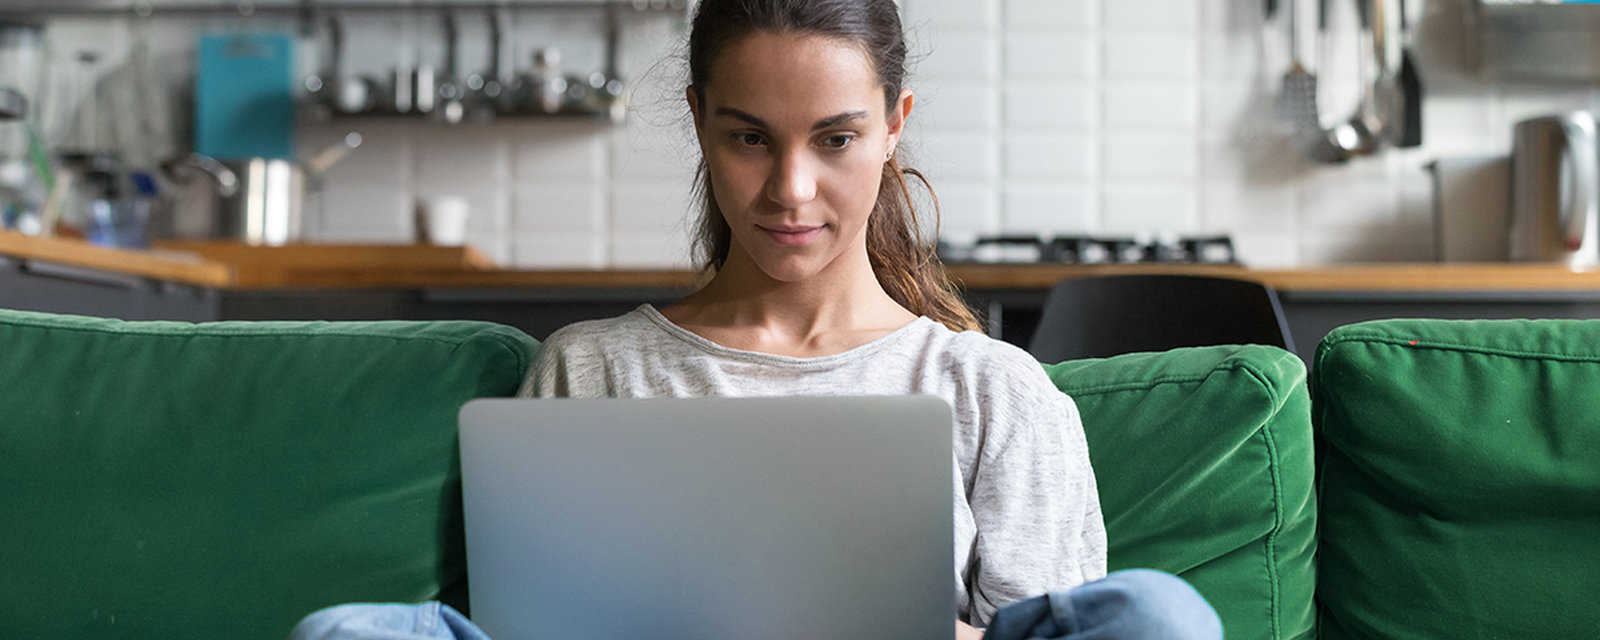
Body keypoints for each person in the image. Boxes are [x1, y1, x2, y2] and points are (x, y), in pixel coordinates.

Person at [291, 1, 1221, 639]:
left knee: (1157, 616)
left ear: (894, 125)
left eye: (837, 138)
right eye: (749, 138)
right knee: (346, 631)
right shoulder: (590, 370)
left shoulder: (990, 388)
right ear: (699, 120)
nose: (790, 190)